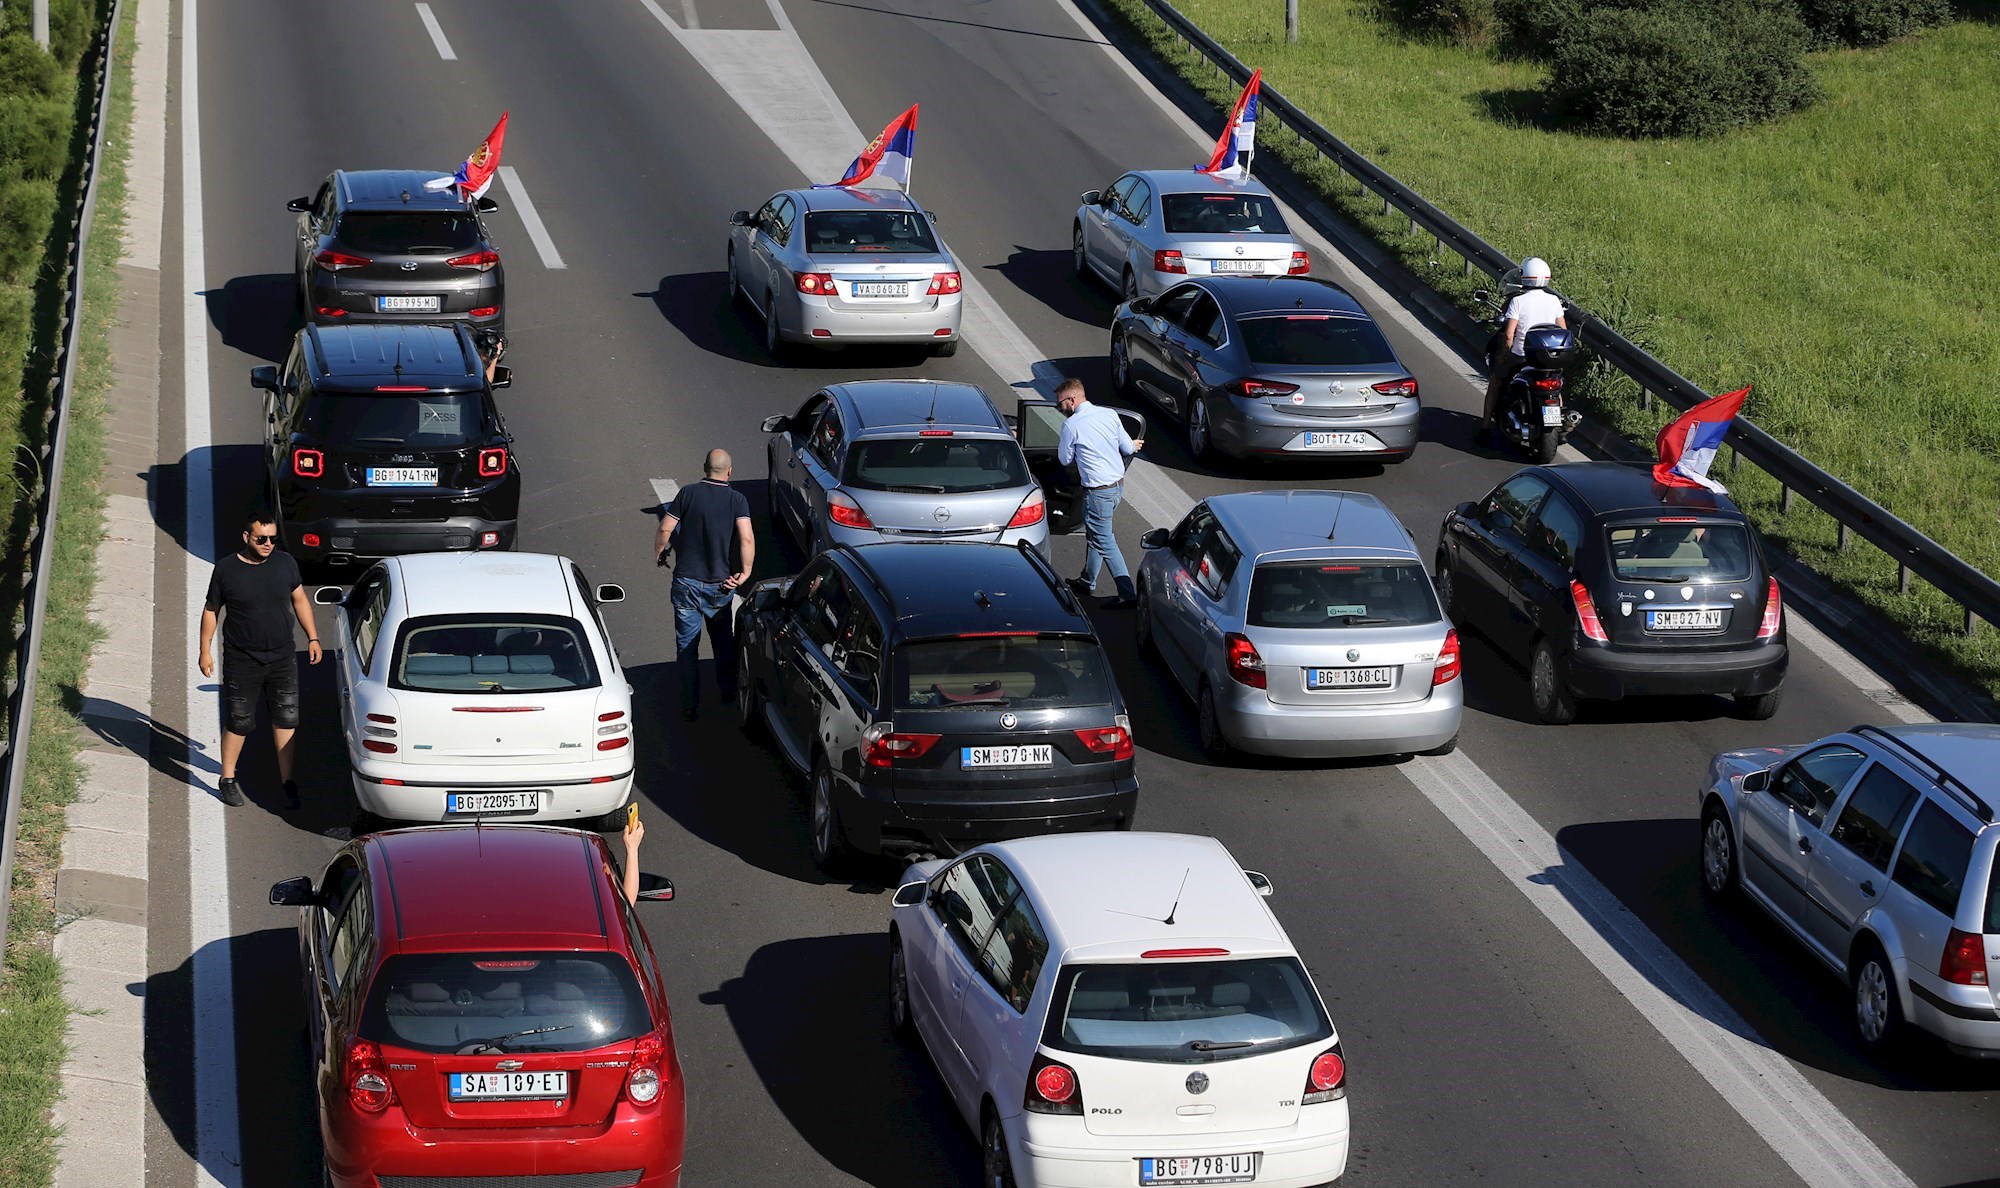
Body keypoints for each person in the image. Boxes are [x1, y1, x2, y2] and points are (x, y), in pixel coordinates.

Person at [197, 513, 322, 808]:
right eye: (261, 539)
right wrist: (204, 650)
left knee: (286, 719)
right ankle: (227, 779)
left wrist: (313, 637)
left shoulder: (285, 563)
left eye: (272, 539)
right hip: (243, 660)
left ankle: (287, 782)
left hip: (282, 656)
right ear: (246, 537)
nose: (268, 544)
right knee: (239, 721)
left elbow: (300, 599)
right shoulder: (226, 570)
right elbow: (211, 609)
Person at [654, 448, 754, 721]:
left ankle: (689, 704)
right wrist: (745, 572)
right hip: (719, 586)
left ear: (704, 468)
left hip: (686, 582)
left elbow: (665, 528)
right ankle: (728, 693)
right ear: (730, 472)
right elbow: (746, 538)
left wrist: (660, 553)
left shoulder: (687, 493)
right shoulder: (737, 500)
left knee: (687, 646)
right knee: (723, 641)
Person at [1054, 378, 1145, 608]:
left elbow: (1065, 459)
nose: (1060, 409)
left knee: (1104, 540)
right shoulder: (1109, 415)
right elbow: (1126, 447)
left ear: (1071, 400)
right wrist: (1133, 444)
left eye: (1060, 404)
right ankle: (1087, 581)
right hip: (1116, 488)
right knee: (1096, 535)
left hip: (1097, 494)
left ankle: (1127, 593)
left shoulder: (1072, 426)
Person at [1481, 257, 1567, 438]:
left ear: (1524, 277)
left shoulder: (1518, 301)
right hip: (1548, 358)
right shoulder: (1554, 300)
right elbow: (1563, 330)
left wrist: (1503, 356)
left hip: (1521, 356)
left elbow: (1509, 335)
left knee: (1495, 382)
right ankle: (1559, 425)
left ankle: (1485, 428)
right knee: (1556, 389)